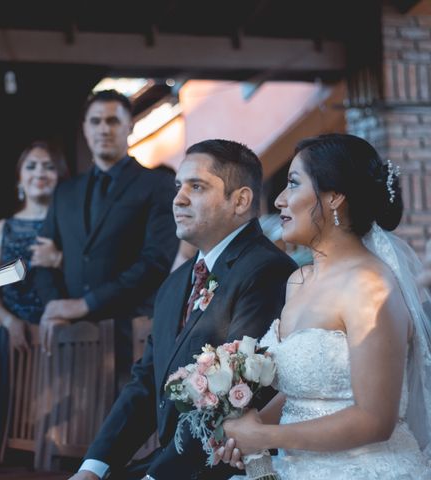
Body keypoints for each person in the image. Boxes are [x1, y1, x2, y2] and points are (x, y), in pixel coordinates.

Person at [70, 139, 297, 480]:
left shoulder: (267, 271)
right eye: (178, 186)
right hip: (165, 462)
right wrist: (93, 468)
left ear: (240, 200)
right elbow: (146, 384)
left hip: (220, 469)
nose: (178, 199)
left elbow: (235, 399)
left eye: (197, 186)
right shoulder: (176, 282)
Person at [217, 134, 431, 478]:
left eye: (293, 184)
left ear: (334, 198)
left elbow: (375, 419)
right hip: (295, 467)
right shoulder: (298, 281)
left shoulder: (370, 287)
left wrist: (266, 435)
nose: (279, 200)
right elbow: (309, 392)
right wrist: (245, 431)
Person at [34, 90, 179, 387]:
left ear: (130, 126)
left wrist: (86, 304)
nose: (104, 128)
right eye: (96, 121)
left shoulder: (157, 185)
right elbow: (41, 260)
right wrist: (57, 306)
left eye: (113, 121)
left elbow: (155, 263)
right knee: (72, 433)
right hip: (71, 337)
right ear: (85, 129)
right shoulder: (65, 193)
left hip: (132, 336)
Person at [0, 140, 67, 462]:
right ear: (19, 179)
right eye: (31, 166)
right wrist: (10, 322)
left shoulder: (71, 229)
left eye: (48, 166)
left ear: (60, 176)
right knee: (8, 434)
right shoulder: (1, 229)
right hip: (13, 344)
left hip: (61, 344)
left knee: (61, 436)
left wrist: (59, 259)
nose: (39, 173)